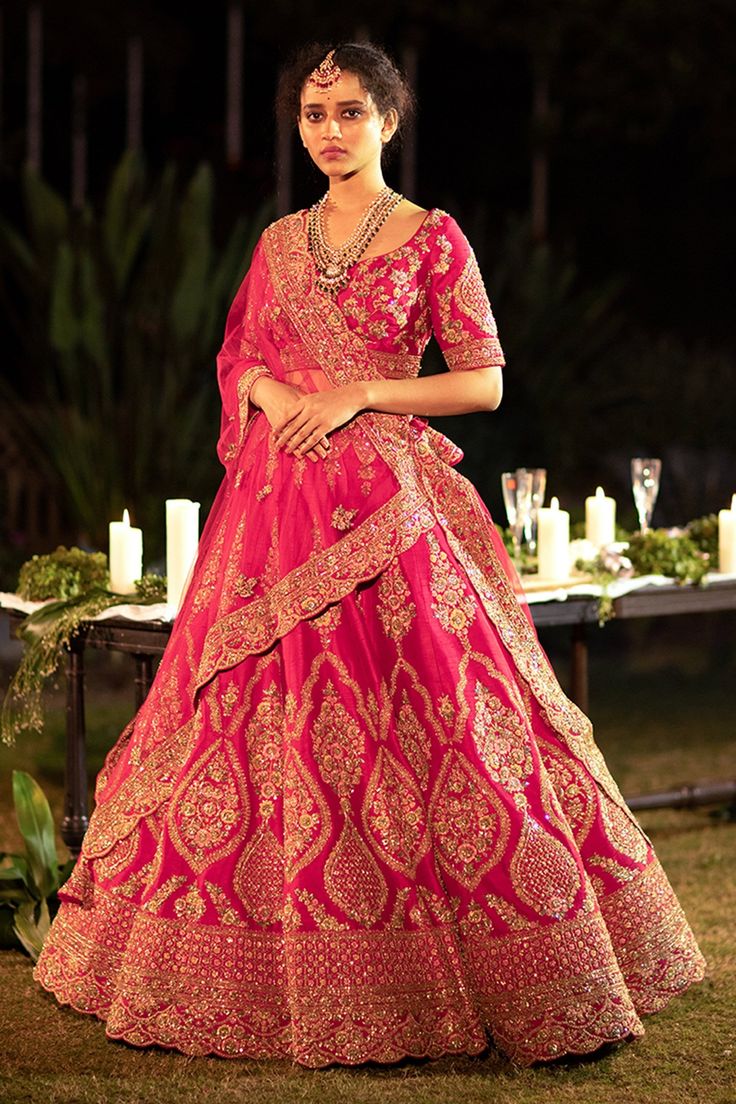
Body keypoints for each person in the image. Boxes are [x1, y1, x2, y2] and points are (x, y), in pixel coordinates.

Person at [33, 41, 706, 1069]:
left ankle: (500, 967)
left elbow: (480, 384)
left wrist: (358, 393)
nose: (330, 131)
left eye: (350, 111)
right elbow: (241, 357)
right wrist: (272, 397)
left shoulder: (434, 240)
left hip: (388, 513)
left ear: (389, 119)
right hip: (270, 514)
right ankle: (235, 964)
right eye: (313, 114)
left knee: (436, 726)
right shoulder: (275, 243)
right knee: (253, 729)